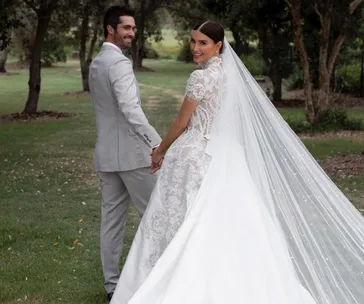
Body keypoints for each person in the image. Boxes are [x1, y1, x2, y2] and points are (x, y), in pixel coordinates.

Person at [111, 20, 364, 304]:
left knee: (185, 220)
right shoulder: (230, 74)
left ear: (218, 45)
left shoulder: (200, 78)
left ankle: (176, 280)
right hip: (226, 154)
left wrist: (160, 150)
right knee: (227, 221)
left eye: (203, 43)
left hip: (195, 154)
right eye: (193, 41)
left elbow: (182, 122)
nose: (195, 48)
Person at [88, 6, 161, 302]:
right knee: (154, 215)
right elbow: (130, 109)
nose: (132, 33)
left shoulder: (97, 62)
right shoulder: (118, 63)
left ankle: (112, 286)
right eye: (126, 28)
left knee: (111, 222)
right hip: (132, 157)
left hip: (108, 155)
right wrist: (158, 143)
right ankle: (156, 279)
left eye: (133, 28)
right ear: (110, 29)